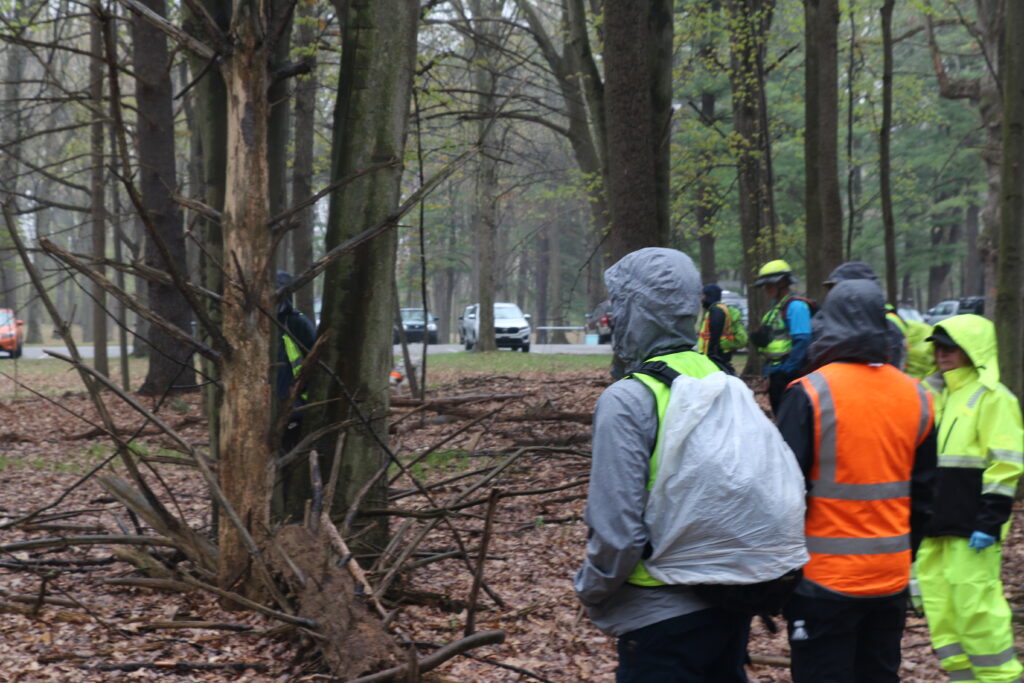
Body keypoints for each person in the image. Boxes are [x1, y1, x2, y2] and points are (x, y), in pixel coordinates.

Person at [575, 247, 750, 682]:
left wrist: (591, 590)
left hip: (658, 616)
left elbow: (617, 532)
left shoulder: (628, 399)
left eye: (619, 305)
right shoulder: (725, 383)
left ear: (638, 310)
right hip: (729, 606)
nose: (613, 318)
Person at [775, 278, 936, 683]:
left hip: (823, 580)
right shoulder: (917, 396)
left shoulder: (809, 393)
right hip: (890, 577)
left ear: (828, 324)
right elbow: (925, 495)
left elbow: (781, 494)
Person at [916, 314, 1024, 683]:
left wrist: (990, 520)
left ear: (971, 350)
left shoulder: (994, 398)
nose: (943, 354)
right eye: (939, 347)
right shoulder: (933, 394)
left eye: (951, 347)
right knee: (941, 611)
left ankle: (1002, 679)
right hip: (934, 524)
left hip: (971, 526)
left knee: (977, 611)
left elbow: (1005, 464)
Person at [820, 261, 908, 370]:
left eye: (839, 288)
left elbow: (891, 372)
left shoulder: (889, 328)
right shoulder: (829, 324)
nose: (834, 294)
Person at [752, 259, 812, 413]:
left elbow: (803, 341)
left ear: (783, 283)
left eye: (770, 284)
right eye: (765, 285)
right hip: (773, 371)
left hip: (788, 375)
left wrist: (786, 371)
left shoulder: (796, 307)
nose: (766, 289)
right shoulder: (776, 308)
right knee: (780, 416)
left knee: (789, 418)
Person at [275, 270, 317, 452]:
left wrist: (300, 397)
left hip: (294, 404)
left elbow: (314, 360)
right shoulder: (254, 322)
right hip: (263, 404)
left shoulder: (296, 323)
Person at [697, 284, 736, 374]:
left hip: (716, 355)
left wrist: (711, 353)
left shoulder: (716, 311)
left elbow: (715, 335)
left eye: (703, 296)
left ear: (709, 296)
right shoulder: (717, 309)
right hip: (719, 353)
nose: (701, 299)